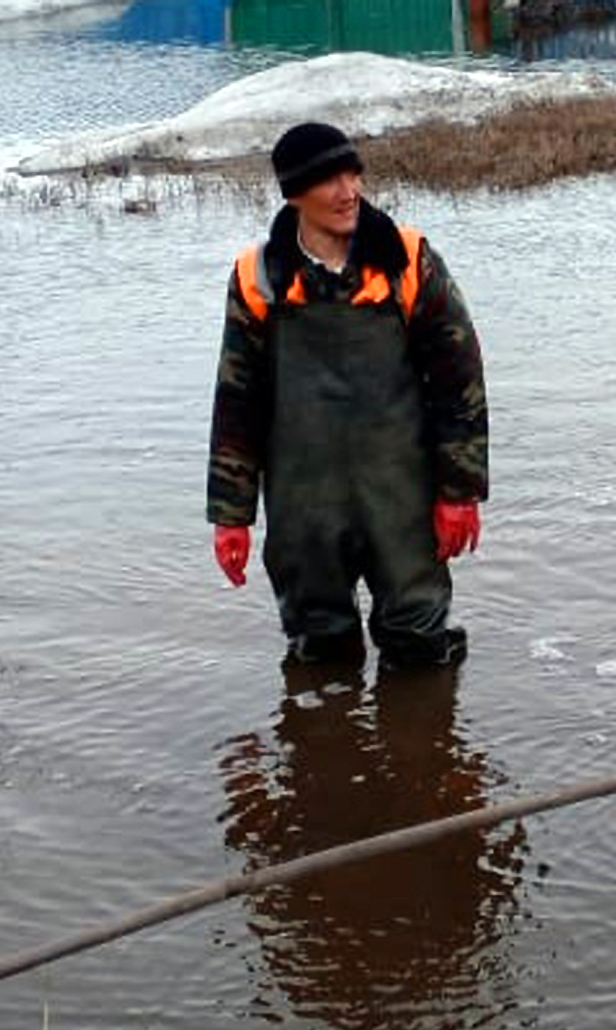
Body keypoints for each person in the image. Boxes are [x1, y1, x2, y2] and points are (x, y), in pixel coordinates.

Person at [207, 121, 488, 669]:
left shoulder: (409, 261)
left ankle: (423, 748)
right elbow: (237, 400)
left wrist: (460, 492)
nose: (347, 191)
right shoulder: (256, 277)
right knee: (319, 656)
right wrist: (230, 515)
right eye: (327, 180)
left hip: (400, 497)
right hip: (302, 506)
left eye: (351, 174)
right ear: (293, 194)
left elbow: (461, 385)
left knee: (418, 649)